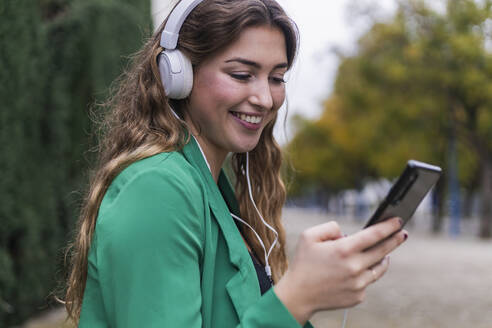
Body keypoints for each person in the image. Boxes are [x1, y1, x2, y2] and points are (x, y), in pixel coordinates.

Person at [64, 0, 408, 327]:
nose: (263, 98)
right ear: (178, 75)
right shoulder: (158, 187)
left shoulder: (213, 190)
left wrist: (316, 284)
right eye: (243, 75)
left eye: (276, 78)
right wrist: (297, 298)